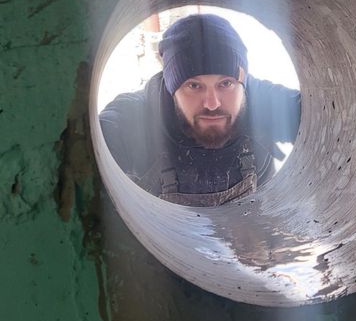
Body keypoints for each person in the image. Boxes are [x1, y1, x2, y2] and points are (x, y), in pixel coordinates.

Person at [99, 14, 301, 207]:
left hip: (252, 225)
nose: (212, 104)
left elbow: (317, 117)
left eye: (225, 83)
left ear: (242, 84)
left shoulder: (261, 103)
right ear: (172, 90)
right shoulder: (134, 120)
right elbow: (96, 141)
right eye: (194, 86)